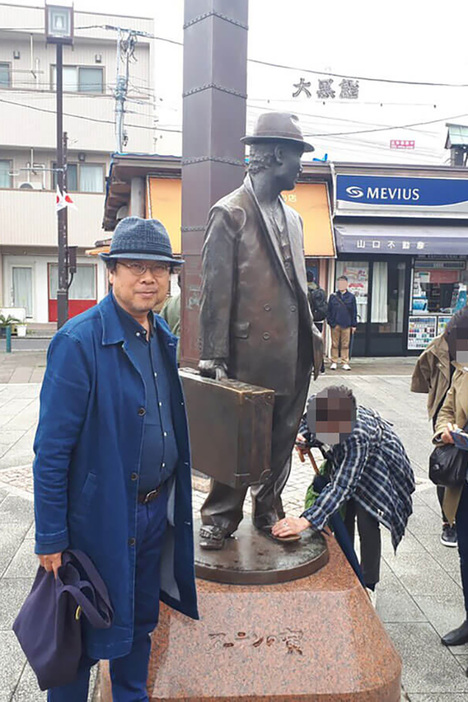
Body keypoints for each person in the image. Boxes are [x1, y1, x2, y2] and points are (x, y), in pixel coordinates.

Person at [33, 216, 198, 701]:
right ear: (111, 272)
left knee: (141, 618)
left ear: (170, 276)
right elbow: (51, 451)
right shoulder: (78, 341)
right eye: (134, 266)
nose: (148, 278)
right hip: (97, 517)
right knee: (79, 628)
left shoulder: (160, 334)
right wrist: (51, 537)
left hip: (154, 510)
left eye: (159, 268)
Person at [198, 112, 323, 550]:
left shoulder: (295, 219)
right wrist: (212, 353)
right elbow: (214, 291)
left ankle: (268, 506)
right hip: (249, 351)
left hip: (294, 351)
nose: (301, 166)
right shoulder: (230, 212)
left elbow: (296, 287)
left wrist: (313, 335)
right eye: (297, 156)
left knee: (283, 437)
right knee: (239, 437)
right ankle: (219, 515)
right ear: (274, 156)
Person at [272, 385, 415, 598]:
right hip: (348, 461)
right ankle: (345, 568)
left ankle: (368, 584)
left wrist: (306, 519)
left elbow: (342, 486)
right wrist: (304, 437)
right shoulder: (318, 405)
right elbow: (304, 423)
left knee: (367, 520)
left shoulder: (357, 435)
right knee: (341, 515)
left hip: (377, 469)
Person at [410, 310, 468, 547]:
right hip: (447, 406)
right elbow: (422, 370)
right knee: (446, 462)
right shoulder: (440, 345)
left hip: (460, 404)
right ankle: (449, 522)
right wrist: (435, 396)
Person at [433, 321, 468, 651]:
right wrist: (447, 429)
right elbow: (445, 409)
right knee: (466, 556)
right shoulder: (462, 370)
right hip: (463, 482)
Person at [327, 275, 357, 371]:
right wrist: (331, 322)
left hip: (347, 324)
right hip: (335, 324)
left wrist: (354, 324)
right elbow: (329, 310)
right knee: (334, 344)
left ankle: (345, 362)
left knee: (345, 344)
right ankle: (334, 361)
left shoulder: (351, 297)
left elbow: (354, 311)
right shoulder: (333, 297)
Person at [307, 270, 327, 373]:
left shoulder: (305, 290)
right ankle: (320, 367)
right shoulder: (320, 290)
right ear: (313, 279)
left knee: (307, 344)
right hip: (319, 320)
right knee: (317, 343)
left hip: (309, 320)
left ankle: (309, 367)